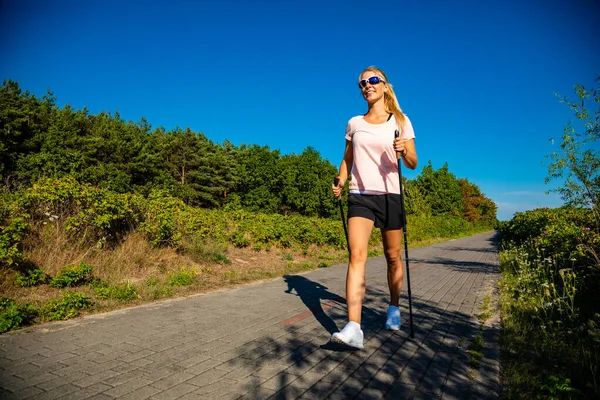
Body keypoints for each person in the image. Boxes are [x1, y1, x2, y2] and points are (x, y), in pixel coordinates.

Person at [330, 66, 418, 349]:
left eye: (372, 80)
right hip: (361, 195)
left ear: (384, 85)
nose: (367, 85)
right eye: (362, 83)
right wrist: (341, 180)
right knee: (357, 255)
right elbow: (347, 159)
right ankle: (354, 328)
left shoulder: (401, 121)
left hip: (391, 195)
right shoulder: (354, 123)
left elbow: (414, 162)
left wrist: (404, 151)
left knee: (393, 257)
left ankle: (394, 307)